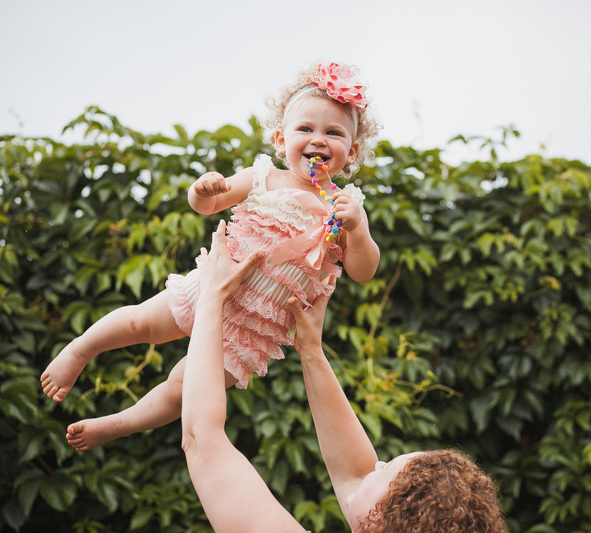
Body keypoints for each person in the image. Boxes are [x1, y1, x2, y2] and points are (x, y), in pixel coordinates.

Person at [41, 62, 380, 415]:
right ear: (281, 140)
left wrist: (358, 229)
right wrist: (201, 191)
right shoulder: (262, 178)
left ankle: (116, 424)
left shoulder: (346, 206)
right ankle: (80, 350)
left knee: (186, 390)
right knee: (141, 323)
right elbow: (209, 205)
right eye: (305, 128)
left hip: (255, 327)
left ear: (352, 151)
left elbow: (363, 271)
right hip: (209, 286)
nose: (318, 139)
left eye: (334, 133)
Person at [179, 221, 507, 533]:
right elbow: (355, 475)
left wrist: (213, 295)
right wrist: (310, 350)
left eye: (385, 472)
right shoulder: (381, 519)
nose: (376, 466)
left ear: (383, 521)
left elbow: (202, 440)